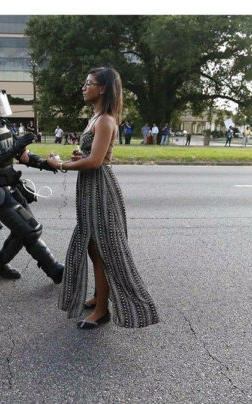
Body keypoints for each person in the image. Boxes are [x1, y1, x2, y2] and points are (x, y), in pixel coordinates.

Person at [46, 67, 158, 330]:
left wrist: (60, 165)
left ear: (103, 88)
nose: (84, 88)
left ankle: (102, 310)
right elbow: (90, 156)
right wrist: (77, 157)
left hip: (100, 188)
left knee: (103, 250)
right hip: (90, 187)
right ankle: (99, 295)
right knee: (92, 247)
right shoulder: (95, 118)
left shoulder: (106, 119)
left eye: (89, 83)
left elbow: (96, 162)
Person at [0, 80, 64, 283]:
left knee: (22, 230)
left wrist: (46, 164)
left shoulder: (2, 124)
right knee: (30, 229)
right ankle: (55, 270)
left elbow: (23, 155)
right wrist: (14, 149)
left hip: (11, 186)